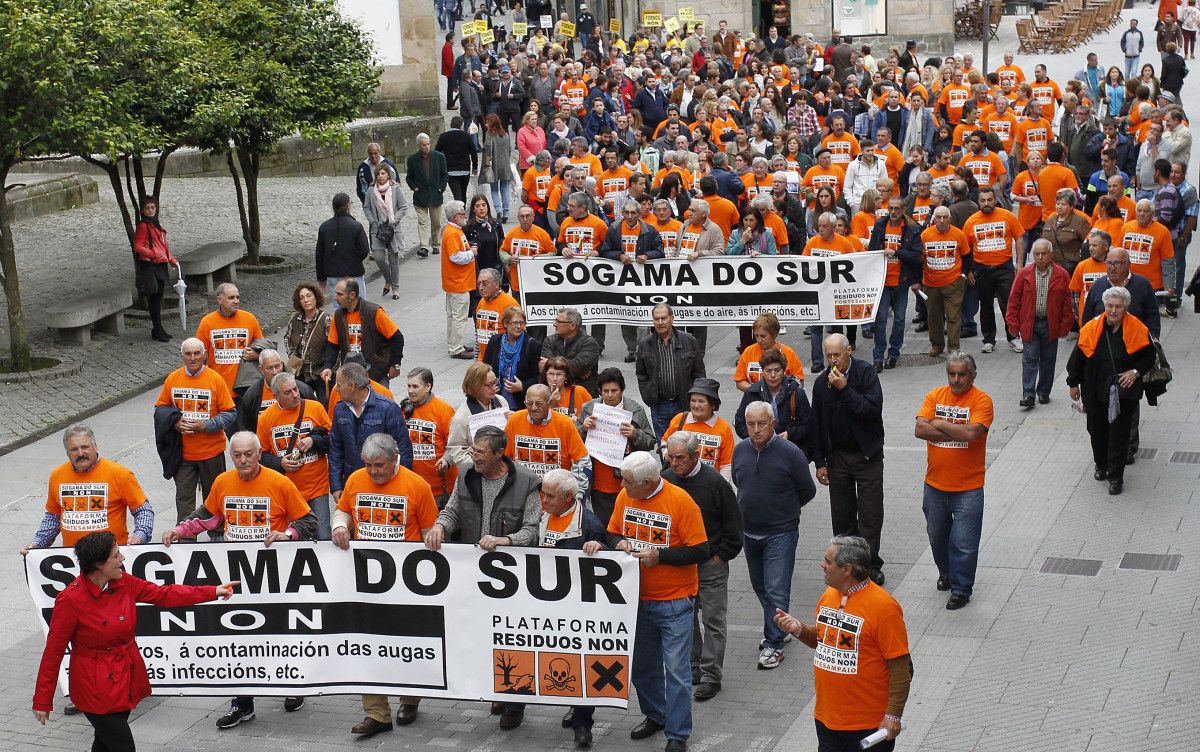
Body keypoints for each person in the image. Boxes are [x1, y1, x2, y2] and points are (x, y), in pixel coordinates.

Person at [33, 532, 237, 751]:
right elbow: (53, 652)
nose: (122, 559)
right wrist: (42, 700)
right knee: (122, 746)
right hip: (94, 688)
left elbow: (164, 594)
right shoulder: (71, 599)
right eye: (116, 555)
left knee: (104, 744)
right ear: (99, 564)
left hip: (124, 679)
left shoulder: (124, 582)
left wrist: (213, 591)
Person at [162, 432, 314, 726]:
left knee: (280, 633)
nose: (243, 460)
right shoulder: (222, 483)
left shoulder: (280, 483)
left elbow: (308, 521)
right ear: (231, 457)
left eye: (248, 454)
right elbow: (207, 517)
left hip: (274, 576)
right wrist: (180, 531)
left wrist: (287, 534)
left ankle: (293, 686)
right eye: (237, 455)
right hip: (237, 575)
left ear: (259, 454)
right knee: (239, 638)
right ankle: (242, 704)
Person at [424, 424, 541, 731]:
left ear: (500, 454)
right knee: (483, 635)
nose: (473, 457)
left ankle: (516, 700)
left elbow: (531, 531)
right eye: (473, 450)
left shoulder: (527, 482)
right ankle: (497, 688)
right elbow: (451, 512)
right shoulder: (465, 474)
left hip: (512, 578)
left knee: (513, 638)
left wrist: (506, 541)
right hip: (476, 574)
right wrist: (439, 527)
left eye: (480, 453)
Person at [332, 432, 439, 734]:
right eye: (368, 465)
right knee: (368, 642)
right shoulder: (355, 480)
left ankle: (410, 698)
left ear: (394, 459)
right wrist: (340, 525)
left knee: (405, 641)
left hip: (405, 581)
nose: (373, 471)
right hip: (366, 579)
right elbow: (343, 510)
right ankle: (376, 713)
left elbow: (431, 526)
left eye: (379, 465)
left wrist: (435, 535)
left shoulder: (416, 485)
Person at [609, 451, 709, 752]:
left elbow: (700, 550)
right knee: (641, 667)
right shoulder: (625, 498)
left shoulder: (681, 502)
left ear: (649, 481)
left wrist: (659, 556)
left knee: (677, 672)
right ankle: (656, 714)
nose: (623, 487)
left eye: (628, 483)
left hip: (674, 602)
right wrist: (619, 543)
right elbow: (611, 532)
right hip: (635, 599)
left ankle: (677, 734)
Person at [773, 536, 912, 752]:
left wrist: (893, 715)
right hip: (827, 720)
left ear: (847, 569)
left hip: (867, 726)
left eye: (828, 561)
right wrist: (798, 629)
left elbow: (901, 667)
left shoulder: (884, 608)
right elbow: (823, 639)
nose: (822, 565)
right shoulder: (829, 596)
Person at [732, 402, 816, 670]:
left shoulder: (790, 453)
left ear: (773, 423)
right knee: (760, 586)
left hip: (781, 532)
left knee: (775, 589)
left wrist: (784, 510)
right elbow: (738, 480)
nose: (755, 430)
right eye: (751, 424)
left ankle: (774, 644)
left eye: (762, 424)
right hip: (749, 531)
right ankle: (778, 624)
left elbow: (808, 490)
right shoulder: (740, 450)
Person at [660, 431, 741, 702]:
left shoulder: (716, 484)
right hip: (681, 564)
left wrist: (720, 557)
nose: (674, 463)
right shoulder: (667, 479)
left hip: (710, 565)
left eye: (680, 458)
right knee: (686, 617)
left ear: (696, 456)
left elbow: (734, 527)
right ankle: (693, 666)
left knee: (713, 621)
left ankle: (710, 676)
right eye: (670, 457)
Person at [914, 353, 994, 610]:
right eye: (952, 374)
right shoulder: (935, 395)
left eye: (962, 374)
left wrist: (938, 422)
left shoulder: (982, 400)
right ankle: (946, 573)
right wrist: (952, 426)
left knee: (964, 541)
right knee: (937, 535)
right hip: (934, 485)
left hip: (968, 488)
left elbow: (972, 433)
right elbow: (919, 430)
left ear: (973, 375)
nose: (956, 379)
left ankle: (961, 588)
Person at [810, 333, 887, 585]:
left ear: (849, 351)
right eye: (828, 355)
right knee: (842, 517)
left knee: (870, 515)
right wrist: (820, 462)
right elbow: (817, 424)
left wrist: (845, 389)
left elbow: (872, 410)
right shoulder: (822, 383)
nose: (833, 361)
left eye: (837, 355)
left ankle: (869, 565)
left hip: (867, 455)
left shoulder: (865, 374)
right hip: (838, 457)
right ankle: (847, 565)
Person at [1066, 287, 1155, 496]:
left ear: (1126, 308)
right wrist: (1073, 384)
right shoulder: (1091, 328)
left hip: (1123, 392)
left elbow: (1149, 356)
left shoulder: (1137, 328)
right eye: (1110, 306)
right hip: (1095, 389)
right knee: (1096, 431)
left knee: (1119, 434)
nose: (1113, 310)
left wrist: (1135, 372)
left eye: (1118, 307)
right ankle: (1101, 464)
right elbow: (1078, 357)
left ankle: (1116, 477)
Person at [21, 425, 153, 555]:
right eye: (74, 449)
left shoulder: (120, 474)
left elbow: (143, 510)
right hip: (74, 560)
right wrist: (36, 544)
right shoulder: (57, 475)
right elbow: (53, 518)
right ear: (67, 453)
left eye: (85, 447)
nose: (80, 453)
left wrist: (140, 536)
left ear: (95, 447)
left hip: (112, 560)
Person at [153, 337, 236, 523]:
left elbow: (231, 413)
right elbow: (160, 410)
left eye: (197, 353)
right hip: (183, 455)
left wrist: (205, 426)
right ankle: (185, 538)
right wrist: (174, 424)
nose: (193, 358)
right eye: (188, 354)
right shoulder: (173, 379)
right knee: (184, 499)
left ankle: (217, 535)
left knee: (214, 497)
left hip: (211, 453)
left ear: (205, 355)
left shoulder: (215, 379)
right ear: (181, 356)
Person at [256, 371, 333, 539]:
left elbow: (333, 441)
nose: (295, 395)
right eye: (288, 392)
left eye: (295, 389)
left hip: (316, 488)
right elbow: (260, 456)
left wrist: (314, 441)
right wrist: (280, 463)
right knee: (293, 539)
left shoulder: (315, 408)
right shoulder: (266, 419)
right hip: (286, 491)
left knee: (323, 537)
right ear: (276, 396)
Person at [1001, 237, 1075, 408]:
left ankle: (1043, 392)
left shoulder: (1061, 274)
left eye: (1043, 253)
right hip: (1030, 323)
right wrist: (1012, 323)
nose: (1040, 257)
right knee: (1029, 358)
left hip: (1051, 325)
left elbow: (1067, 302)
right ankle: (1028, 394)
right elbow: (1014, 300)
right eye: (1036, 254)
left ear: (1051, 255)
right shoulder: (1024, 274)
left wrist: (1065, 325)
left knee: (1048, 360)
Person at [577, 367, 657, 525]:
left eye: (614, 390)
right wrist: (582, 429)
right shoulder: (588, 408)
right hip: (598, 481)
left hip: (627, 481)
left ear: (622, 390)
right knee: (604, 525)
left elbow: (651, 442)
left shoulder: (635, 410)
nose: (610, 395)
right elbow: (573, 441)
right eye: (605, 391)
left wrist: (635, 434)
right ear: (599, 391)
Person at [328, 362, 413, 502]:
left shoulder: (388, 408)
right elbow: (335, 450)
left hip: (384, 485)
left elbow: (403, 450)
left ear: (352, 386)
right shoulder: (340, 410)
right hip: (353, 484)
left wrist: (400, 485)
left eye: (339, 384)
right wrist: (336, 486)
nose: (336, 389)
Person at [867, 195, 924, 371]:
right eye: (890, 208)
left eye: (897, 208)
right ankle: (878, 357)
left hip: (901, 282)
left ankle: (893, 354)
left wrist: (896, 253)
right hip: (882, 282)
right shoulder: (880, 225)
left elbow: (916, 256)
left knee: (899, 319)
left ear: (903, 210)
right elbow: (871, 251)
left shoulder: (912, 229)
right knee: (880, 319)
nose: (893, 212)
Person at [505, 383, 592, 498]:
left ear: (550, 403)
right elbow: (505, 458)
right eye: (529, 403)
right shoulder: (515, 420)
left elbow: (582, 460)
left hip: (557, 498)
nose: (533, 408)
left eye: (539, 403)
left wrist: (577, 494)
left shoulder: (565, 423)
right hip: (523, 495)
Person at [963, 190, 1023, 354]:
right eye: (982, 200)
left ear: (995, 200)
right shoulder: (971, 222)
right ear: (978, 201)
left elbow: (1019, 237)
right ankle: (989, 340)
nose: (986, 203)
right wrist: (967, 271)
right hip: (981, 270)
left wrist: (1019, 263)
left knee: (1009, 304)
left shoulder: (1007, 216)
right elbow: (965, 249)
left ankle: (1013, 337)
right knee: (986, 305)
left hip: (1004, 268)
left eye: (989, 200)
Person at [635, 303, 706, 439]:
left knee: (686, 444)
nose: (660, 322)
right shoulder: (645, 344)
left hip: (684, 404)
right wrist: (648, 397)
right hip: (659, 406)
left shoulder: (689, 341)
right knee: (664, 446)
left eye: (663, 318)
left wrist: (695, 401)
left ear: (672, 319)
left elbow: (699, 374)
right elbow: (641, 375)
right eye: (656, 319)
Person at [320, 279, 405, 386]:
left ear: (352, 295)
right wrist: (328, 366)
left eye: (339, 294)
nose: (335, 297)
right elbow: (333, 345)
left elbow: (397, 337)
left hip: (376, 374)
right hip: (351, 376)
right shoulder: (337, 316)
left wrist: (396, 365)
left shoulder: (374, 312)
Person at [194, 283, 268, 395]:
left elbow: (265, 349)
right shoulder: (207, 322)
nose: (236, 301)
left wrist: (257, 355)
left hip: (246, 387)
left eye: (237, 297)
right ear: (219, 300)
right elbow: (199, 356)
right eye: (231, 298)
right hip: (219, 387)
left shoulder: (249, 319)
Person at [732, 348, 811, 451]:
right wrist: (758, 437)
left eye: (777, 370)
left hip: (789, 450)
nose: (773, 375)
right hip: (759, 450)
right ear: (763, 371)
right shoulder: (752, 393)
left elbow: (808, 425)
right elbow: (740, 423)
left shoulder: (796, 393)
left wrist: (790, 434)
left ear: (784, 371)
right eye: (768, 371)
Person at [661, 378, 737, 483]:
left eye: (701, 401)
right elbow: (665, 441)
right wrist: (668, 455)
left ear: (713, 405)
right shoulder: (679, 419)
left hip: (709, 484)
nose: (696, 405)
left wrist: (721, 486)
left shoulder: (723, 428)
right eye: (693, 401)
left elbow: (727, 464)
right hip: (679, 481)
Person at [920, 206, 971, 357]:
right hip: (930, 283)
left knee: (953, 316)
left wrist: (962, 275)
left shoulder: (958, 234)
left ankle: (954, 347)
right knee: (933, 316)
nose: (941, 221)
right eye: (938, 218)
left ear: (950, 218)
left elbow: (967, 255)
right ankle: (936, 345)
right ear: (934, 219)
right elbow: (918, 258)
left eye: (945, 217)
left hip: (953, 282)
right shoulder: (925, 235)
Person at [132, 197, 179, 342]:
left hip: (160, 265)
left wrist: (170, 258)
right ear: (142, 210)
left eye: (153, 207)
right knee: (154, 298)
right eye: (148, 208)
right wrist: (153, 253)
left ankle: (158, 329)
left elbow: (163, 245)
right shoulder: (143, 226)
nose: (151, 210)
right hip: (150, 265)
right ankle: (157, 329)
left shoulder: (156, 225)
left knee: (158, 297)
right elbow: (137, 246)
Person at [237, 348, 316, 434]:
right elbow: (248, 428)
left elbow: (317, 416)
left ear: (282, 364)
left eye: (277, 366)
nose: (275, 372)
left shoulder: (302, 389)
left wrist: (313, 439)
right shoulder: (251, 395)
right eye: (270, 368)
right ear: (261, 370)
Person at [362, 164, 410, 299]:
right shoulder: (371, 191)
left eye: (383, 173)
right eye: (378, 174)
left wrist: (394, 219)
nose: (380, 176)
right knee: (378, 257)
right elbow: (366, 207)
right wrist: (372, 221)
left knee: (393, 259)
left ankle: (395, 288)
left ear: (388, 174)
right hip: (378, 230)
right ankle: (388, 279)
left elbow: (403, 207)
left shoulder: (396, 189)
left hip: (392, 229)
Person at [441, 200, 479, 359]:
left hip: (456, 282)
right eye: (463, 214)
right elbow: (456, 256)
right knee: (459, 317)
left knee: (453, 316)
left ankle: (454, 344)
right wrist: (472, 253)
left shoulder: (455, 231)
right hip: (459, 282)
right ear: (455, 216)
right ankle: (456, 348)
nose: (465, 216)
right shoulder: (452, 233)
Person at [315, 193, 370, 300]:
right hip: (353, 274)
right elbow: (364, 250)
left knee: (338, 309)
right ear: (348, 206)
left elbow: (319, 254)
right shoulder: (356, 226)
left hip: (333, 274)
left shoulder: (325, 227)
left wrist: (321, 277)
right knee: (358, 307)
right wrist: (354, 260)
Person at [285, 282, 331, 402]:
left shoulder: (326, 319)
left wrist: (330, 368)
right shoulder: (294, 319)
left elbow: (333, 346)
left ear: (316, 297)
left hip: (320, 373)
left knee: (324, 405)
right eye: (302, 297)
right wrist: (293, 356)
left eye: (309, 296)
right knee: (304, 405)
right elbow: (287, 339)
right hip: (300, 372)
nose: (305, 300)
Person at [734, 312, 805, 390]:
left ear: (774, 334)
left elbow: (800, 381)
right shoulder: (748, 352)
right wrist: (756, 391)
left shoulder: (788, 353)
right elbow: (739, 381)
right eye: (756, 336)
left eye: (763, 336)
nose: (759, 340)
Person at [541, 307, 602, 396]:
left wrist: (554, 366)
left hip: (582, 393)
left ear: (572, 326)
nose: (554, 324)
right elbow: (544, 367)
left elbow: (578, 367)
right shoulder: (549, 341)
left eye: (558, 322)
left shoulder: (589, 343)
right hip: (554, 392)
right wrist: (572, 369)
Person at [407, 133, 449, 259]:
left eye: (428, 144)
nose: (427, 147)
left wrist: (441, 188)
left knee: (436, 222)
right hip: (420, 196)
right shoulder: (412, 159)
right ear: (419, 146)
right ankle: (424, 246)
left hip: (435, 194)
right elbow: (409, 177)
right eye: (424, 145)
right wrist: (414, 187)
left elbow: (444, 174)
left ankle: (436, 244)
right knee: (422, 221)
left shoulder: (439, 157)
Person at [1041, 189, 1091, 278]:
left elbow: (1088, 245)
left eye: (1063, 204)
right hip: (1050, 266)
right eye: (1058, 204)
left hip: (1069, 268)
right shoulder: (1050, 220)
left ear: (1071, 206)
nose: (1059, 207)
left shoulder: (1080, 222)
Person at [473, 268, 518, 362]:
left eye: (485, 284)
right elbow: (478, 334)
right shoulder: (481, 302)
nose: (480, 287)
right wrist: (477, 360)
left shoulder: (509, 304)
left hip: (502, 361)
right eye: (479, 284)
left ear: (497, 284)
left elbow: (518, 336)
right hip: (483, 362)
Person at [436, 116, 479, 203]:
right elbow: (474, 153)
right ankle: (462, 211)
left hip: (450, 170)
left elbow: (437, 153)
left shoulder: (444, 137)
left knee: (457, 194)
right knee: (463, 193)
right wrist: (475, 167)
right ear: (461, 125)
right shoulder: (466, 136)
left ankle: (460, 212)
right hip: (465, 170)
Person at [482, 114, 516, 220]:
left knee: (494, 189)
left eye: (487, 122)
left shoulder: (489, 134)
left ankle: (498, 210)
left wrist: (487, 164)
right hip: (505, 165)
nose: (486, 124)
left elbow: (488, 150)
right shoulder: (505, 134)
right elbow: (510, 149)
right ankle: (506, 212)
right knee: (505, 189)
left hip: (494, 166)